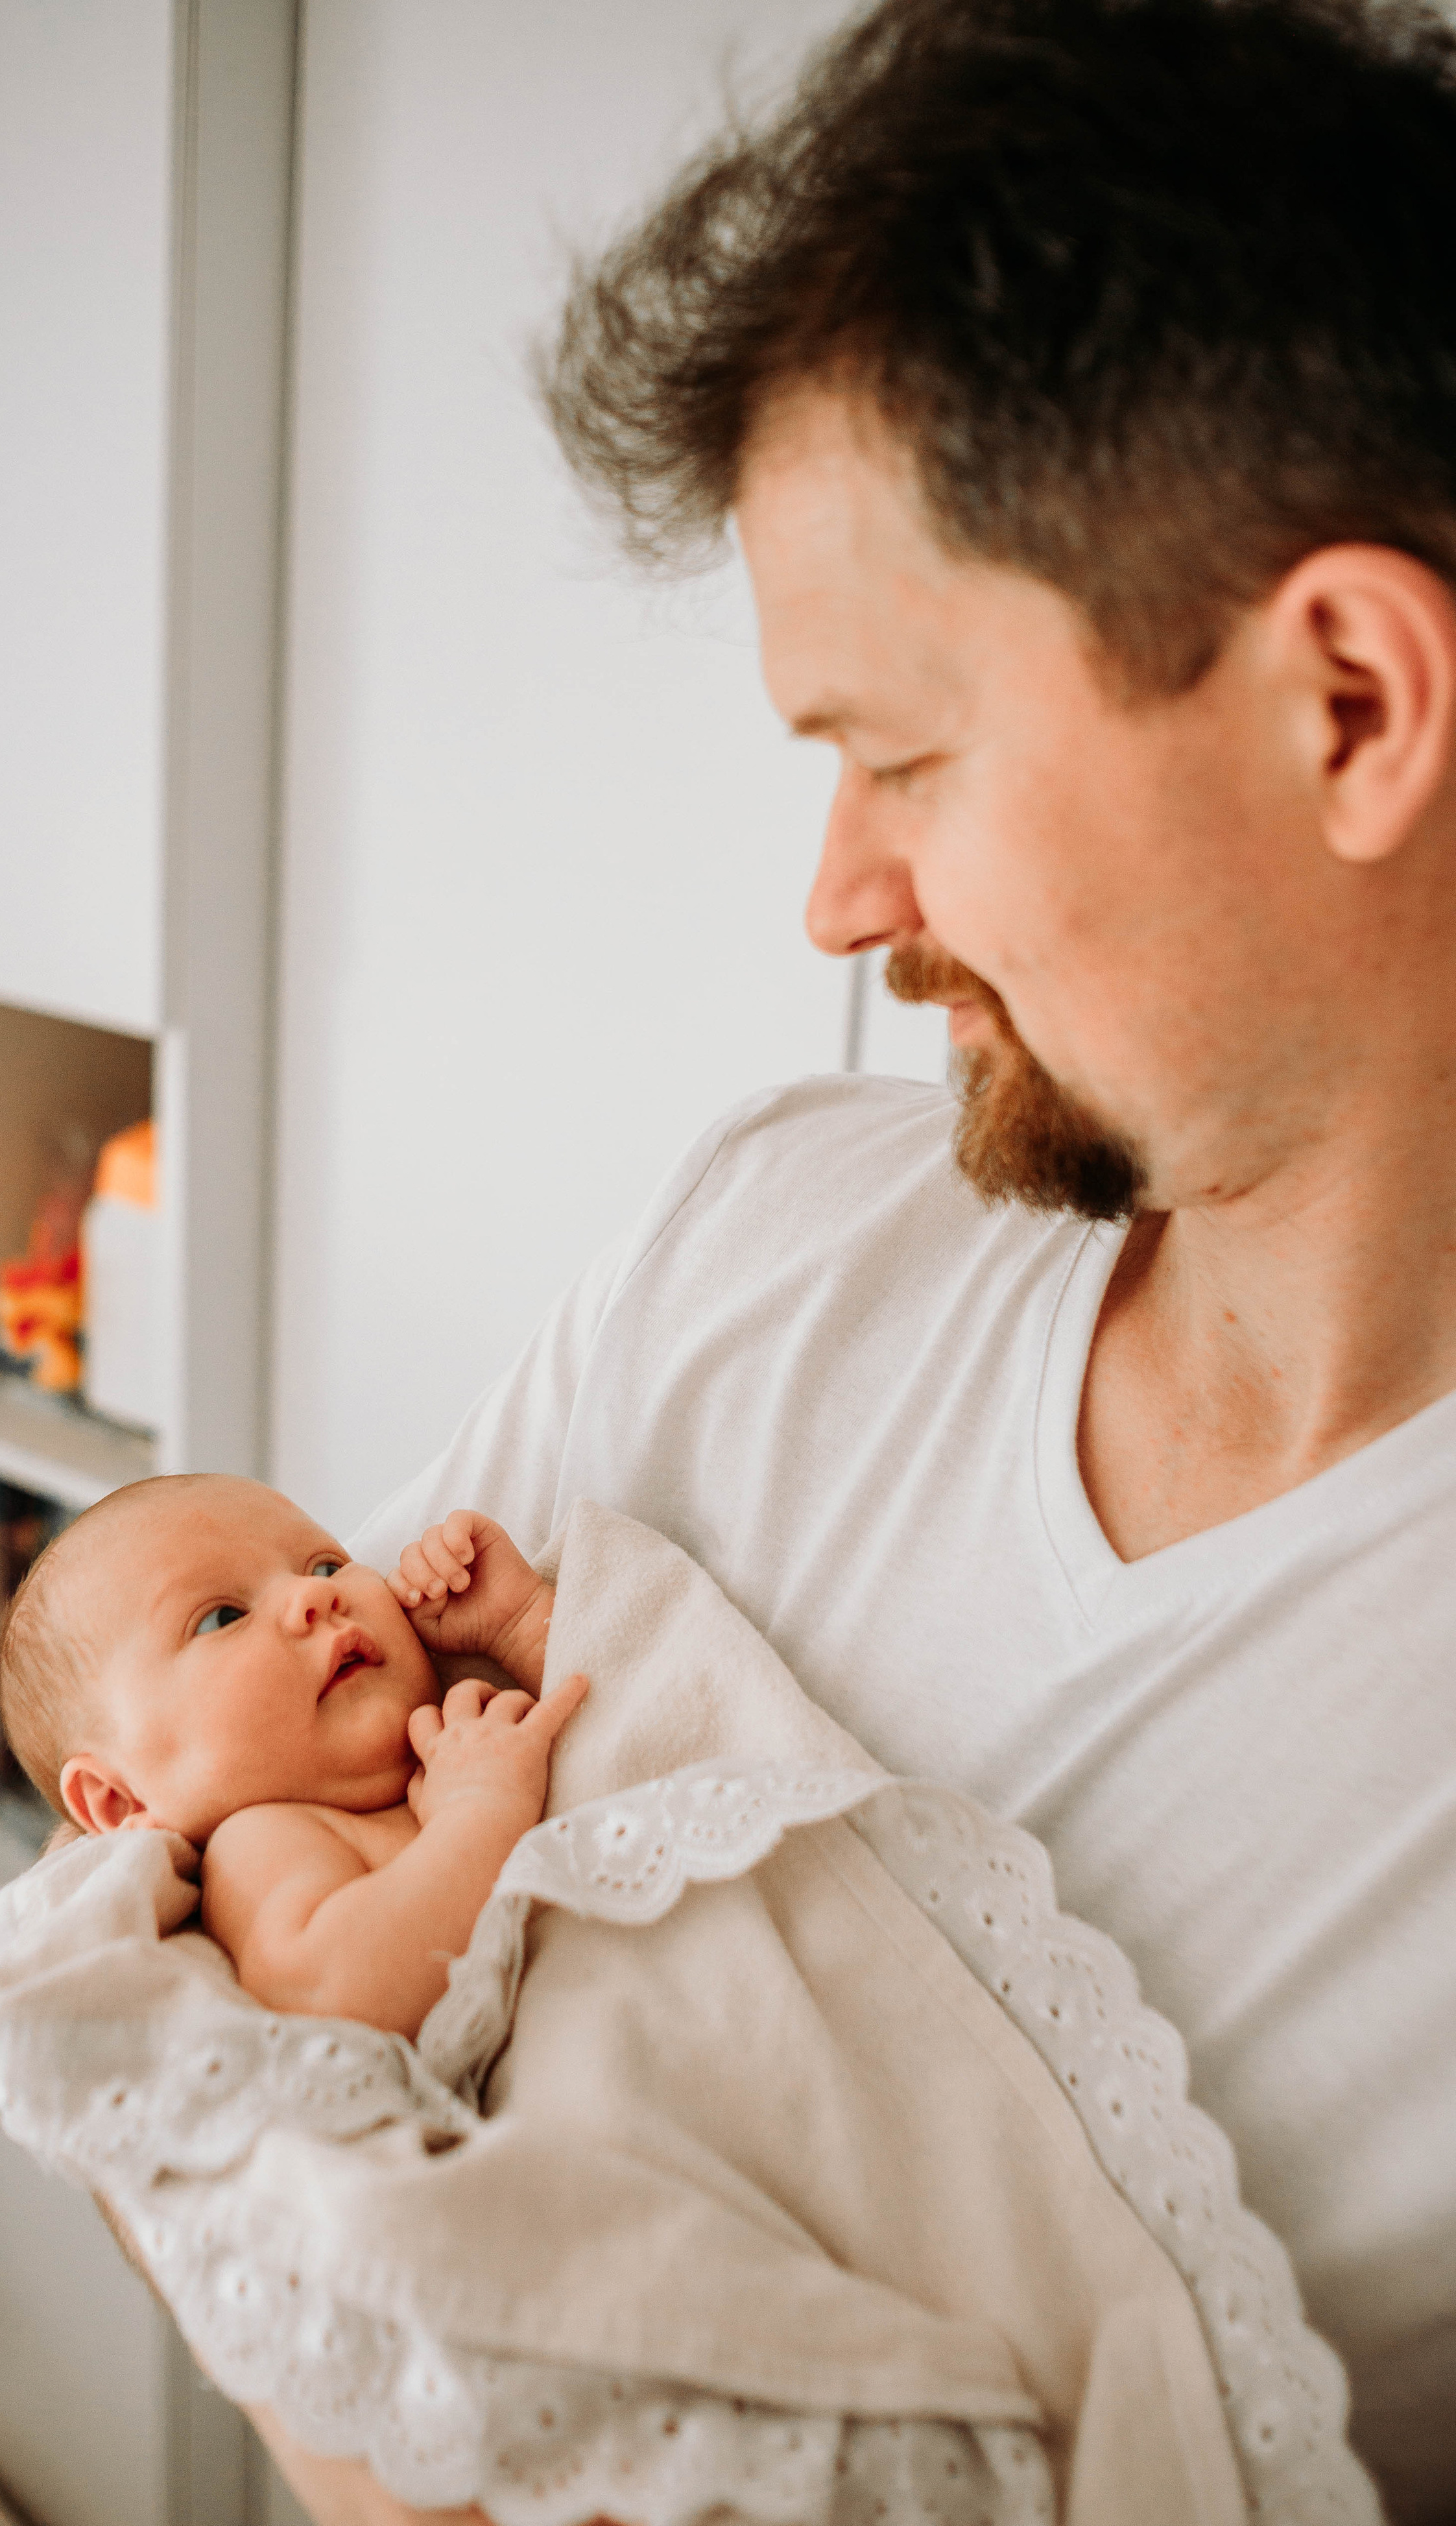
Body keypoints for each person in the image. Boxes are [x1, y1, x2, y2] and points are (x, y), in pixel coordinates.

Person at [315, 0, 1456, 2516]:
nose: (834, 893)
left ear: (1352, 699)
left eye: (901, 757)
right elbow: (165, 1931)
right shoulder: (762, 1233)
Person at [0, 1475, 587, 2036]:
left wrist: (520, 1627)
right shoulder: (262, 1841)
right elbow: (334, 1988)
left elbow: (629, 1719)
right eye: (223, 1616)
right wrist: (481, 1807)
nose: (316, 1593)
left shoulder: (462, 1723)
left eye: (327, 1564)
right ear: (119, 1798)